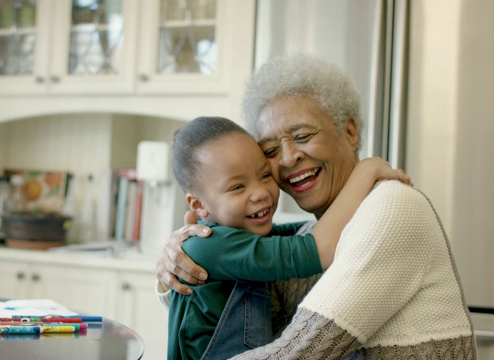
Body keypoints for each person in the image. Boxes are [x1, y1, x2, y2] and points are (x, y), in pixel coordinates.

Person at [158, 53, 477, 359]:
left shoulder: (392, 206)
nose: (287, 157)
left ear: (350, 132)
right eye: (270, 149)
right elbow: (225, 316)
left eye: (302, 135)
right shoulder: (315, 232)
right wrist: (180, 260)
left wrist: (366, 170)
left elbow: (301, 351)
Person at [168, 115, 411, 359]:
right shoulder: (210, 246)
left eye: (264, 176)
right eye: (238, 187)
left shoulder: (236, 234)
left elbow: (304, 232)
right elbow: (318, 248)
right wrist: (366, 171)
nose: (260, 193)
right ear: (199, 205)